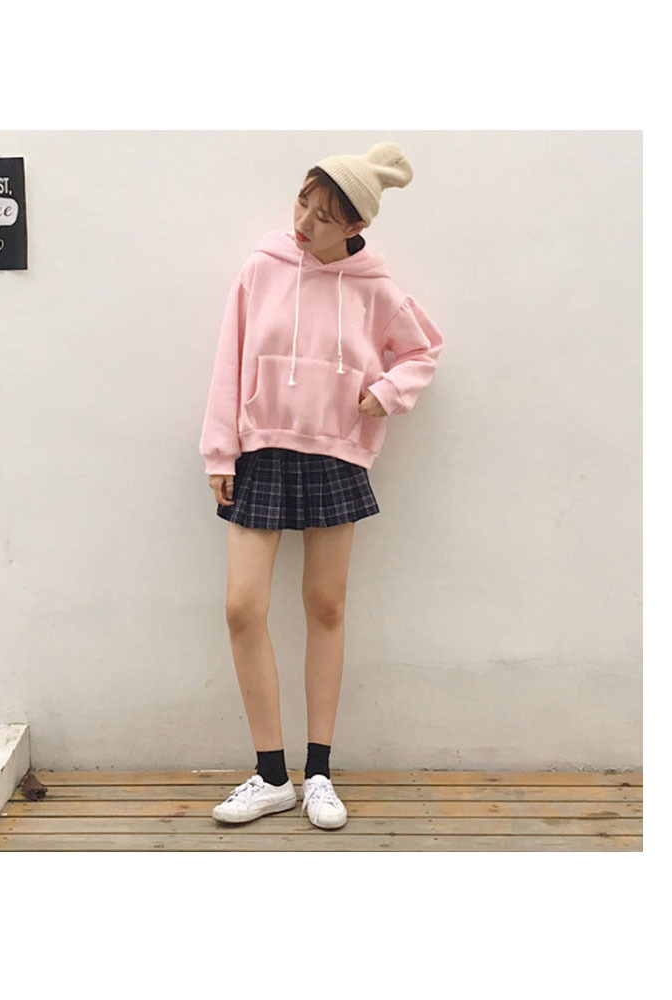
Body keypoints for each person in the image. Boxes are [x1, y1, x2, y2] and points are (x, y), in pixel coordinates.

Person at [199, 141, 445, 830]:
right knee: (242, 608)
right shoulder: (263, 265)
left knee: (326, 607)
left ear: (355, 225)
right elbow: (229, 355)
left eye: (324, 215)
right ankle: (271, 775)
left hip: (336, 455)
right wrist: (220, 451)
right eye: (303, 202)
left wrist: (387, 393)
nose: (304, 222)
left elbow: (423, 350)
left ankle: (319, 774)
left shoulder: (373, 286)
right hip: (261, 450)